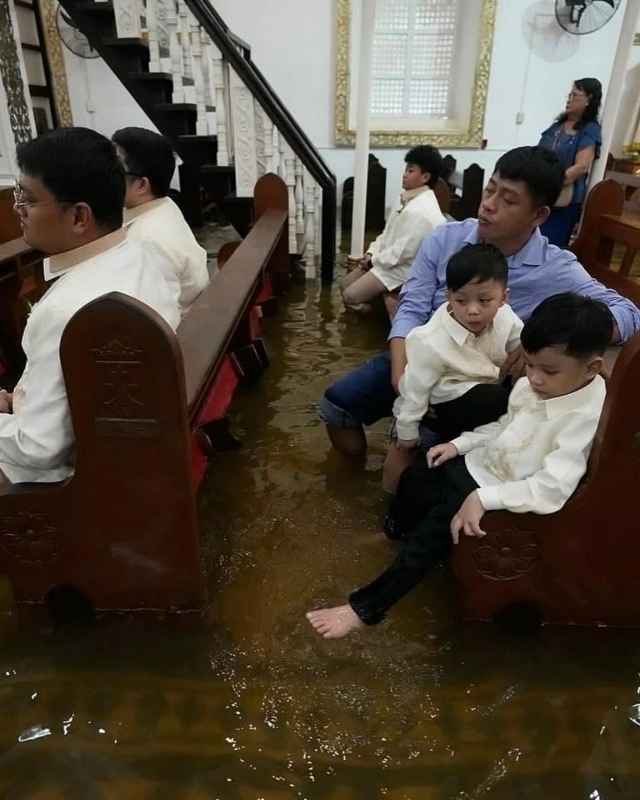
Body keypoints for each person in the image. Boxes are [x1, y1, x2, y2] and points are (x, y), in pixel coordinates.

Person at [307, 293, 613, 638]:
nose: (534, 378)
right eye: (529, 365)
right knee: (419, 472)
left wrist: (484, 498)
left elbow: (552, 488)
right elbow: (505, 427)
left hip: (501, 491)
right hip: (482, 464)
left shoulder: (584, 418)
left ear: (591, 367)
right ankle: (393, 533)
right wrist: (459, 444)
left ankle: (365, 610)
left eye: (548, 371)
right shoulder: (539, 386)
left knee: (430, 537)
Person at [319, 146, 640, 463]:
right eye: (490, 189)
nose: (488, 204)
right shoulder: (445, 238)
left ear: (539, 215)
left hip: (473, 383)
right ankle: (355, 477)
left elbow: (629, 314)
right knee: (336, 407)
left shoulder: (555, 269)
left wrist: (545, 337)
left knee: (416, 457)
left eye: (508, 200)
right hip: (423, 354)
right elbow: (412, 307)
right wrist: (402, 376)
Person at [0, 127, 180, 484]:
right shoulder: (137, 256)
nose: (17, 209)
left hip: (67, 484)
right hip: (127, 445)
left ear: (79, 217)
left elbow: (38, 447)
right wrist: (18, 404)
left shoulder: (67, 308)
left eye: (28, 199)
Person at [386, 243, 522, 492]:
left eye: (484, 300)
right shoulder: (431, 341)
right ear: (448, 296)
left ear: (504, 297)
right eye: (461, 300)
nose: (472, 310)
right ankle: (389, 497)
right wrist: (407, 431)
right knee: (406, 450)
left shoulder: (507, 318)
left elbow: (521, 346)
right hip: (438, 402)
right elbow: (415, 389)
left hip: (481, 392)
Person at [112, 127, 209, 317]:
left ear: (142, 184)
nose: (105, 175)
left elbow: (161, 317)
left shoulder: (146, 240)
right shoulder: (163, 203)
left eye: (115, 169)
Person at [339, 145, 446, 317]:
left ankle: (378, 318)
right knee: (344, 284)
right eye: (406, 169)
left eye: (410, 170)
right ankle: (373, 311)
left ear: (425, 177)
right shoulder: (405, 198)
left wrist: (372, 262)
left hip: (403, 271)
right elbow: (386, 234)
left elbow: (401, 253)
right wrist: (371, 253)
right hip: (387, 263)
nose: (404, 174)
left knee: (351, 297)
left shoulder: (421, 211)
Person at [538, 78, 602, 248]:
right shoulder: (557, 127)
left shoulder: (589, 130)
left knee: (550, 246)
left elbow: (582, 166)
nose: (569, 100)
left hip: (564, 201)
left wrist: (554, 182)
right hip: (542, 194)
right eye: (569, 95)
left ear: (588, 99)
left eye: (574, 95)